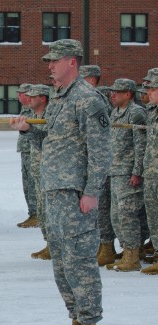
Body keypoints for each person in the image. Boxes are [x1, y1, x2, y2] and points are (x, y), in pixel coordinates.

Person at [40, 39, 111, 325]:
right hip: (55, 192)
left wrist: (92, 191)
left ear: (72, 62)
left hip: (76, 195)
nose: (50, 66)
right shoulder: (58, 98)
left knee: (80, 263)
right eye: (49, 61)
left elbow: (100, 150)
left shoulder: (87, 99)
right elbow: (55, 143)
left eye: (55, 61)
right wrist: (28, 132)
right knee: (62, 265)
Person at [105, 79, 147, 272]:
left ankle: (132, 256)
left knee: (127, 215)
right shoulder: (115, 112)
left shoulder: (136, 112)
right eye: (112, 92)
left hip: (129, 172)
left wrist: (137, 171)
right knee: (116, 216)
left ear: (128, 94)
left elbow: (140, 145)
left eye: (117, 92)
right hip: (116, 171)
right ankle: (128, 250)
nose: (112, 95)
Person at [80, 65, 118, 266]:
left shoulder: (96, 98)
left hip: (106, 164)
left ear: (92, 79)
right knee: (101, 211)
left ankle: (107, 246)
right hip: (96, 162)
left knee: (105, 209)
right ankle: (103, 245)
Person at [10, 84, 51, 259]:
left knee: (49, 209)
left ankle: (55, 245)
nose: (29, 99)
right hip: (37, 167)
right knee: (42, 208)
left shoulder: (50, 115)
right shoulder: (33, 115)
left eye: (33, 96)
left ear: (43, 98)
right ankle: (49, 243)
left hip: (50, 170)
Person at [15, 83, 39, 228]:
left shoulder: (33, 110)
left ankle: (37, 214)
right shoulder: (25, 109)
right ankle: (32, 213)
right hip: (25, 150)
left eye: (21, 93)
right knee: (27, 184)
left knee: (33, 183)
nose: (18, 96)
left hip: (33, 151)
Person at [141, 74, 158, 274]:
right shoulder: (152, 112)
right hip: (151, 171)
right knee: (153, 216)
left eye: (153, 90)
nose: (148, 94)